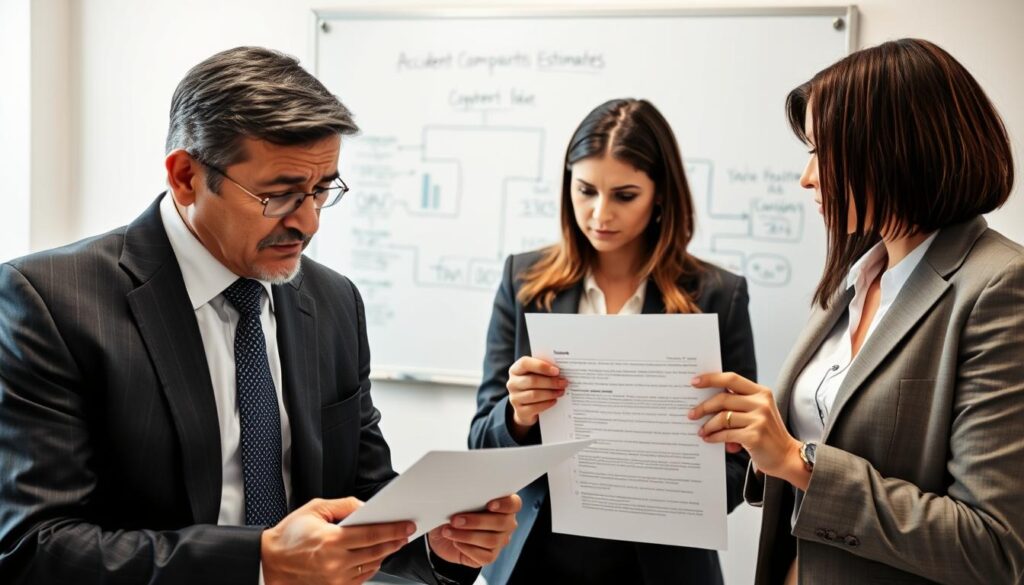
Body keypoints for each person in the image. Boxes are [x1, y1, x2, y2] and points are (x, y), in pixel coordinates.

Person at [0, 46, 520, 585]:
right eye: (281, 195)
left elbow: (361, 502)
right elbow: (34, 547)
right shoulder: (52, 303)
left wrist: (434, 542)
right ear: (186, 177)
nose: (310, 223)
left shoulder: (335, 300)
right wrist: (260, 561)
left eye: (322, 190)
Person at [688, 38, 1024, 584]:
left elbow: (991, 546)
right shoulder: (856, 276)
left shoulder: (998, 285)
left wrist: (800, 462)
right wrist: (758, 441)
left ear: (896, 149)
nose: (808, 177)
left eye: (824, 152)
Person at [468, 98, 757, 584]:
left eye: (625, 195)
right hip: (537, 561)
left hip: (663, 566)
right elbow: (481, 445)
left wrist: (688, 486)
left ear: (660, 194)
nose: (599, 214)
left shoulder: (717, 295)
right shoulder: (525, 281)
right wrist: (518, 416)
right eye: (585, 191)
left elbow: (740, 465)